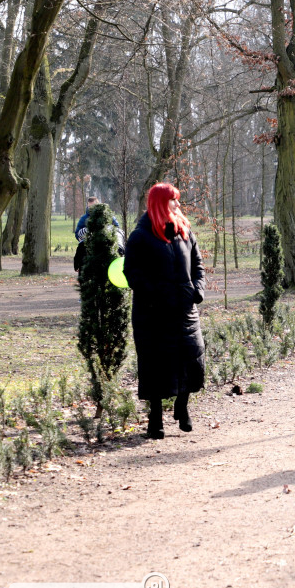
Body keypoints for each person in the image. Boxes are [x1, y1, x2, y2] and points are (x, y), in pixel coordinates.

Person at [123, 183, 206, 439]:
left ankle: (182, 407)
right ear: (160, 203)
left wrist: (198, 290)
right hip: (153, 315)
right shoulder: (140, 236)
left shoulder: (184, 231)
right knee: (155, 365)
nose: (178, 205)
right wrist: (156, 295)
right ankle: (155, 417)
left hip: (185, 310)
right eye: (173, 201)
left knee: (192, 358)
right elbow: (132, 273)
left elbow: (198, 265)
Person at [74, 196, 121, 272]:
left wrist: (108, 231)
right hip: (89, 245)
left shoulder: (108, 216)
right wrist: (83, 234)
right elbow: (77, 233)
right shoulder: (84, 219)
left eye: (93, 207)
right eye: (89, 207)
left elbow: (117, 228)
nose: (91, 209)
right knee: (81, 248)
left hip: (106, 243)